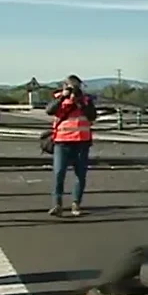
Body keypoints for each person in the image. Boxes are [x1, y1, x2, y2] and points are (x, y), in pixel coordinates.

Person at [45, 75, 97, 217]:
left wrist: (80, 102)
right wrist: (63, 97)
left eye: (76, 86)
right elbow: (49, 110)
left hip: (82, 141)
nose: (74, 89)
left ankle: (76, 203)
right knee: (59, 173)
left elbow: (92, 116)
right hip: (62, 141)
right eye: (70, 86)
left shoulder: (86, 100)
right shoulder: (59, 98)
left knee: (80, 174)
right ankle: (57, 204)